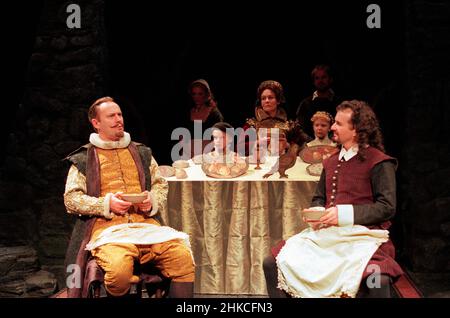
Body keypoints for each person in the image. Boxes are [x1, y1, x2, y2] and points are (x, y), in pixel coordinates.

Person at [263, 100, 403, 298]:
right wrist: (317, 213)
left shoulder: (379, 161)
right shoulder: (330, 162)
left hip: (364, 236)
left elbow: (387, 207)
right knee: (272, 262)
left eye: (338, 123)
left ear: (355, 130)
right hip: (328, 236)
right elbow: (319, 198)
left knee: (377, 278)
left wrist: (343, 214)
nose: (333, 127)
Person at [63, 96, 195, 298]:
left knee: (183, 258)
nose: (118, 119)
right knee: (119, 270)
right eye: (111, 116)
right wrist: (106, 204)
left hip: (146, 226)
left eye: (119, 114)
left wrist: (152, 200)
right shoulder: (84, 158)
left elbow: (160, 183)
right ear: (96, 123)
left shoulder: (141, 152)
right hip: (108, 230)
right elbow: (71, 199)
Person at [238, 80, 309, 160]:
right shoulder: (252, 124)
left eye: (270, 97)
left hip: (282, 165)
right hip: (259, 166)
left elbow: (303, 146)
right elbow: (239, 147)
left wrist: (287, 146)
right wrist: (257, 143)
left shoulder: (289, 125)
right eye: (263, 98)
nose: (267, 101)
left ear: (278, 100)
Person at [178, 79, 224, 158]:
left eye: (200, 94)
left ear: (206, 94)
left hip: (207, 154)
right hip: (189, 153)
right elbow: (182, 133)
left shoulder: (213, 113)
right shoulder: (189, 110)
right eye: (194, 94)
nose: (196, 97)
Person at [295, 64, 341, 138]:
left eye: (324, 77)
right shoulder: (305, 104)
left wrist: (331, 141)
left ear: (330, 79)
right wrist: (312, 143)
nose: (320, 81)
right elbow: (300, 128)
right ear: (314, 81)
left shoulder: (339, 103)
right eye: (317, 78)